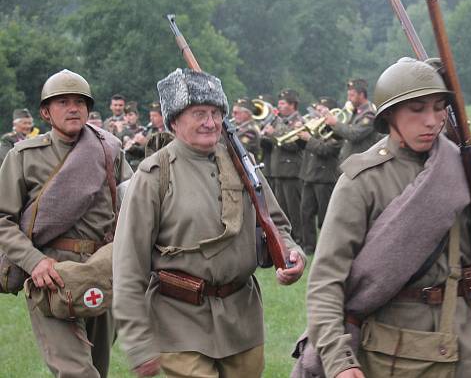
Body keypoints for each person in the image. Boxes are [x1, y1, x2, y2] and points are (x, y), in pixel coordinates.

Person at [305, 58, 471, 378]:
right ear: (389, 116)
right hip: (395, 347)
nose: (432, 120)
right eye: (417, 109)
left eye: (439, 108)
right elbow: (327, 279)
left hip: (464, 339)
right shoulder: (363, 180)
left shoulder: (464, 166)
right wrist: (339, 359)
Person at [113, 68, 305, 378]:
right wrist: (137, 343)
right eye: (199, 113)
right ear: (174, 121)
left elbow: (277, 223)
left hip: (242, 321)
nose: (210, 122)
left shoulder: (243, 166)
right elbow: (128, 265)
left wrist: (293, 254)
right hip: (179, 322)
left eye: (216, 113)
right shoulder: (154, 175)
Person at [0, 69, 132, 378]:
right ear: (46, 112)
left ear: (88, 109)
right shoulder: (23, 156)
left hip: (102, 269)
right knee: (78, 372)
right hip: (50, 274)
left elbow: (135, 208)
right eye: (62, 102)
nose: (73, 108)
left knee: (99, 367)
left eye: (79, 102)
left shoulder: (109, 150)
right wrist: (35, 263)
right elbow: (3, 220)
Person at [298, 96, 342, 255]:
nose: (317, 114)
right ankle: (309, 247)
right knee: (306, 213)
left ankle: (327, 247)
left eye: (321, 111)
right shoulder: (316, 127)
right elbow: (304, 147)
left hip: (325, 177)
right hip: (309, 175)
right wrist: (299, 135)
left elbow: (327, 150)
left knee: (325, 216)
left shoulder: (335, 131)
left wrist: (309, 139)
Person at [262, 89, 305, 246]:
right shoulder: (278, 120)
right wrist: (266, 136)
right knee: (282, 209)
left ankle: (299, 238)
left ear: (292, 105)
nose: (279, 106)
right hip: (278, 171)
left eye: (283, 103)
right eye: (279, 103)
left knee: (294, 210)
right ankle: (287, 239)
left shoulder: (299, 121)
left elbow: (294, 145)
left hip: (291, 171)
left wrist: (273, 134)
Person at [323, 78, 381, 167]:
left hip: (360, 165)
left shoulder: (369, 114)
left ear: (361, 95)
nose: (348, 99)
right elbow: (344, 135)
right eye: (348, 95)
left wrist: (335, 123)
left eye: (352, 95)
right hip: (350, 163)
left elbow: (354, 135)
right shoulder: (355, 112)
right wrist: (329, 126)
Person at [120, 102, 148, 170]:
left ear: (137, 116)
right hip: (124, 168)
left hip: (139, 166)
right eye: (126, 115)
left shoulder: (144, 131)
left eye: (130, 115)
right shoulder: (120, 131)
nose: (128, 118)